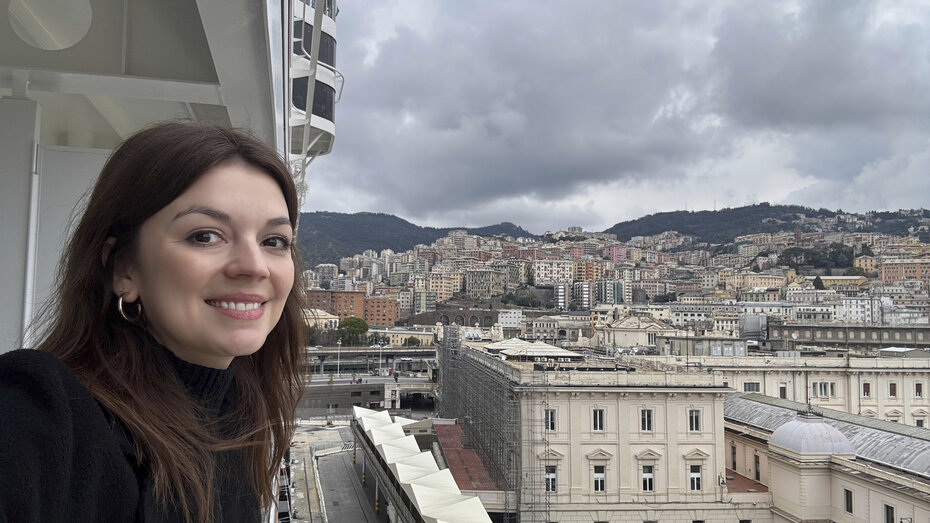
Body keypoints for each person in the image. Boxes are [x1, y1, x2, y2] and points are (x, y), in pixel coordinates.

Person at [0, 121, 307, 522]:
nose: (254, 266)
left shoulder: (240, 420)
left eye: (274, 241)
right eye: (205, 236)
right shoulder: (41, 411)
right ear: (123, 268)